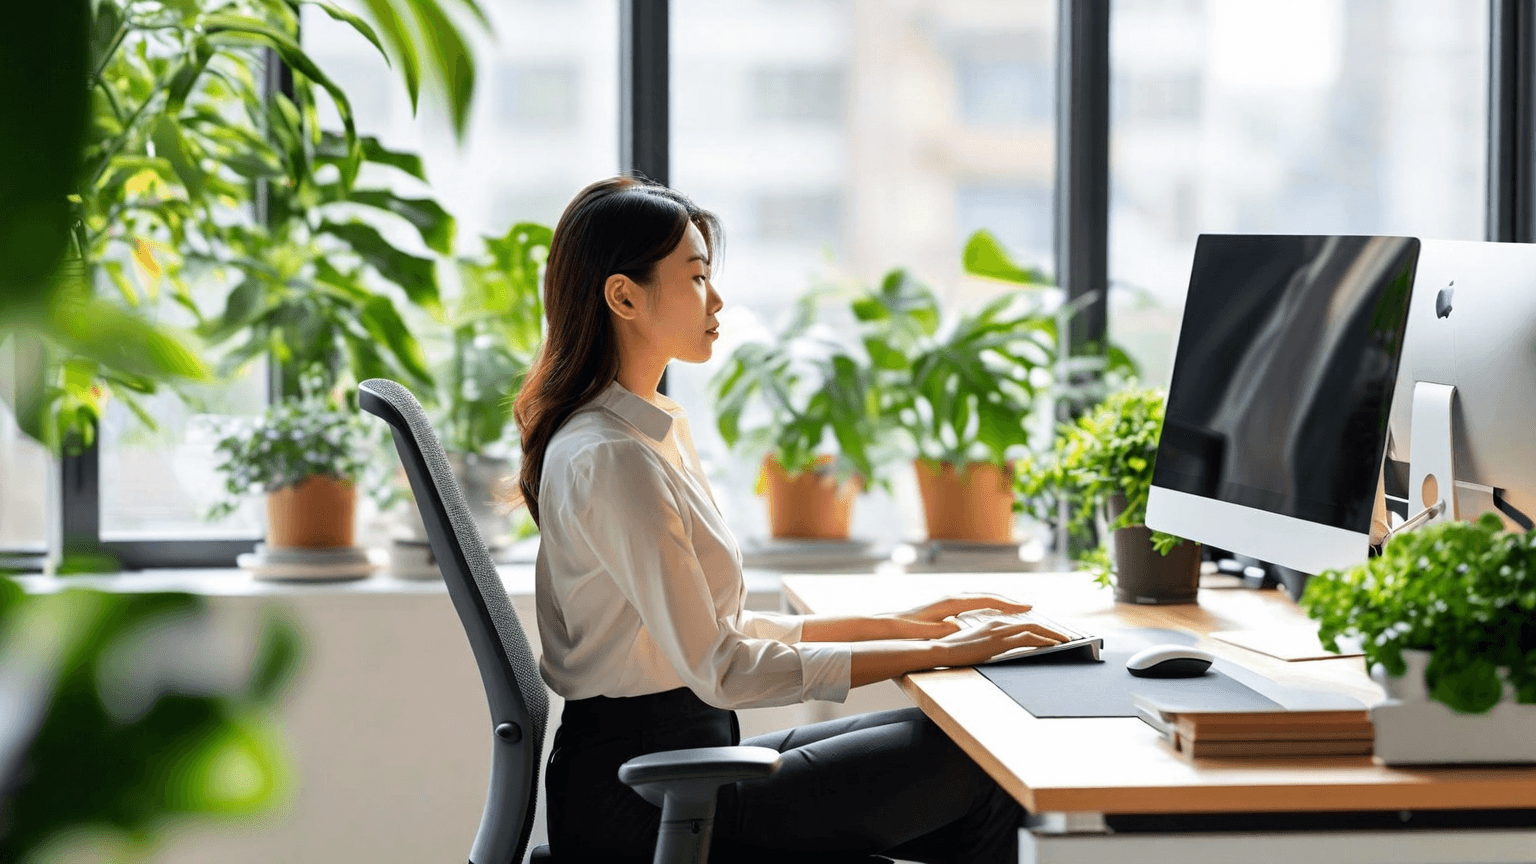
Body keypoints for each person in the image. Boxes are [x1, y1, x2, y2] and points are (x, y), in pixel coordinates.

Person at [512, 176, 1065, 864]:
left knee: (978, 763)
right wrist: (944, 651)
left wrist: (919, 623)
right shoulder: (611, 456)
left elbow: (723, 632)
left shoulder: (649, 431)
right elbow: (724, 666)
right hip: (644, 796)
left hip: (687, 760)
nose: (716, 301)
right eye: (696, 278)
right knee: (985, 768)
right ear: (624, 296)